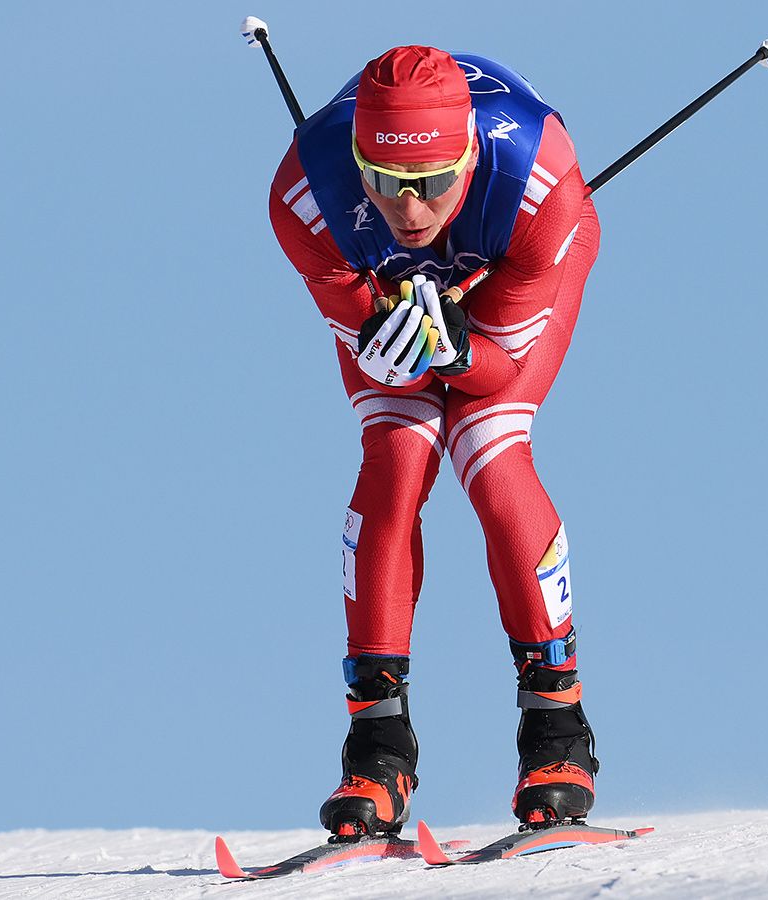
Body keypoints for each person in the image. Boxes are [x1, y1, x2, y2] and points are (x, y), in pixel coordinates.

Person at [268, 45, 600, 836]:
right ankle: (376, 748)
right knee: (395, 455)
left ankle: (558, 734)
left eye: (434, 183)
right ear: (356, 160)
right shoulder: (304, 195)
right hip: (387, 290)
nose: (410, 209)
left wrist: (456, 351)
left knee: (489, 447)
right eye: (383, 184)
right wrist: (381, 325)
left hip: (513, 274)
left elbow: (492, 372)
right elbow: (361, 330)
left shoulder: (538, 180)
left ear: (472, 155)